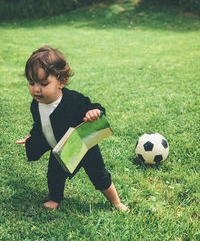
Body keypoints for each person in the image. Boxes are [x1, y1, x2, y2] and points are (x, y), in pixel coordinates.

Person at [16, 46, 129, 212]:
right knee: (54, 175)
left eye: (44, 83)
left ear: (61, 82)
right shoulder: (36, 105)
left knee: (99, 175)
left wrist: (94, 112)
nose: (36, 89)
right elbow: (41, 127)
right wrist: (32, 138)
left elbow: (95, 107)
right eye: (31, 83)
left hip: (83, 145)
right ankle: (55, 198)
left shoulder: (73, 100)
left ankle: (116, 202)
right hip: (61, 148)